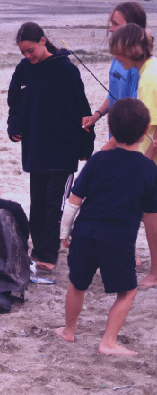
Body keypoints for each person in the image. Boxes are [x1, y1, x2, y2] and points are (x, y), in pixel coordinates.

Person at [57, 98, 157, 355]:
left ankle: (68, 332)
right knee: (127, 292)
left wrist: (64, 233)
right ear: (147, 129)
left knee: (77, 284)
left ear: (112, 128)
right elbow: (149, 211)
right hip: (118, 239)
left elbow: (73, 202)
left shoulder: (99, 159)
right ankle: (108, 342)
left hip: (85, 233)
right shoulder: (148, 169)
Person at [7, 21, 94, 272]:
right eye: (23, 52)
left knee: (55, 205)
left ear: (43, 41)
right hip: (35, 149)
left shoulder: (65, 69)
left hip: (63, 149)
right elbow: (15, 101)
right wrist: (15, 127)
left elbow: (82, 108)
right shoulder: (24, 69)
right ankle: (38, 251)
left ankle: (48, 255)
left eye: (30, 50)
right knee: (38, 203)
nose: (27, 56)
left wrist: (85, 148)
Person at [109, 23, 157, 289]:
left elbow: (150, 128)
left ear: (133, 50)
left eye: (118, 52)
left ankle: (155, 272)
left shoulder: (149, 78)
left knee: (151, 216)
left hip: (150, 161)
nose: (115, 58)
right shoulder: (148, 70)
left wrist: (143, 165)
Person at [82, 2, 147, 151]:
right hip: (115, 136)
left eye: (115, 24)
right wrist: (96, 115)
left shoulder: (137, 66)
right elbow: (113, 92)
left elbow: (135, 114)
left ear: (132, 27)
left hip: (129, 143)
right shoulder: (119, 58)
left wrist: (109, 148)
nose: (111, 29)